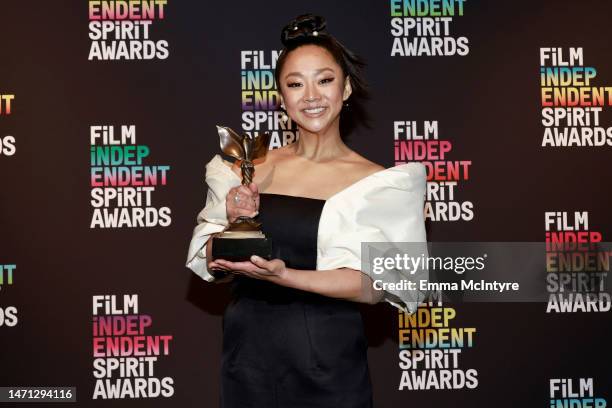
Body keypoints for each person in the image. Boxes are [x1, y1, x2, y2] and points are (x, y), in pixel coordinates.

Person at [186, 14, 428, 408]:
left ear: (346, 88)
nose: (311, 95)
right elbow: (207, 257)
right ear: (281, 98)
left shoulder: (378, 183)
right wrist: (229, 226)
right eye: (296, 84)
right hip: (247, 360)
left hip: (328, 363)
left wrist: (287, 276)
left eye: (325, 80)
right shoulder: (247, 168)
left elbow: (375, 287)